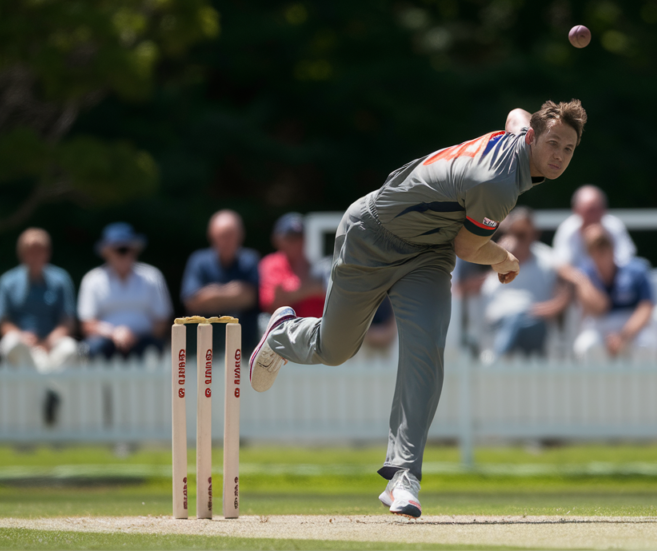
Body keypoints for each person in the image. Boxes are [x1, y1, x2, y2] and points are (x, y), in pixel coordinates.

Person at [249, 100, 587, 518]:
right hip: (371, 235)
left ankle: (404, 477)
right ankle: (285, 332)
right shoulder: (498, 184)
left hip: (427, 255)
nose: (559, 156)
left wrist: (540, 121)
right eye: (553, 143)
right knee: (335, 350)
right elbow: (469, 247)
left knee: (425, 352)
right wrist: (505, 260)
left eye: (569, 149)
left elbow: (516, 112)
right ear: (533, 138)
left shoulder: (521, 133)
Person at [0, 228, 79, 424]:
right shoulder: (8, 281)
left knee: (71, 348)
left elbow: (68, 320)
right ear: (21, 253)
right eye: (30, 249)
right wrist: (21, 336)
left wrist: (51, 339)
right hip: (24, 346)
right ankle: (48, 392)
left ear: (48, 252)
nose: (35, 254)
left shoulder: (60, 280)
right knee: (10, 344)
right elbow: (2, 320)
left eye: (40, 249)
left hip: (51, 344)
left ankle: (47, 395)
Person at [481, 207, 570, 359]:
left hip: (534, 322)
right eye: (514, 233)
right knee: (514, 320)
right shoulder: (497, 257)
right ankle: (501, 357)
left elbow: (565, 295)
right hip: (501, 322)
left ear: (534, 235)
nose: (518, 239)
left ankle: (498, 359)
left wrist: (535, 311)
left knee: (518, 319)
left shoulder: (548, 260)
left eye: (523, 234)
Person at [561, 225, 657, 361]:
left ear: (612, 246)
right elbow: (600, 308)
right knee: (588, 345)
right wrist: (583, 281)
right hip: (600, 326)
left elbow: (646, 308)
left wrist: (623, 336)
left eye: (604, 244)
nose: (601, 250)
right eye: (594, 247)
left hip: (631, 326)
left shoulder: (637, 270)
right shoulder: (584, 275)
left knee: (646, 344)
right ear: (589, 252)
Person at [78, 223, 172, 360]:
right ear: (106, 252)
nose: (124, 254)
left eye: (127, 249)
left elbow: (162, 321)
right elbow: (87, 325)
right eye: (119, 249)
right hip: (105, 343)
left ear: (135, 250)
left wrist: (133, 334)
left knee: (154, 349)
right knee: (93, 348)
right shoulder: (92, 279)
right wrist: (115, 333)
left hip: (144, 341)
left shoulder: (152, 276)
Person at [182, 210, 261, 352]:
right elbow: (191, 302)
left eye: (231, 235)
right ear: (211, 235)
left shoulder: (250, 259)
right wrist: (234, 292)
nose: (227, 240)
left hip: (245, 347)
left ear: (240, 235)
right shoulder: (199, 261)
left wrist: (211, 295)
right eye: (222, 235)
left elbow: (250, 298)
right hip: (204, 348)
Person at [258, 213, 326, 320]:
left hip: (314, 329)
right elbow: (272, 304)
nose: (297, 243)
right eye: (291, 238)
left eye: (300, 237)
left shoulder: (317, 265)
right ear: (277, 239)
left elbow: (333, 294)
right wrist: (312, 288)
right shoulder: (271, 264)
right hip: (284, 330)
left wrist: (292, 293)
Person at [552, 184, 636, 268]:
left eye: (598, 208)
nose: (594, 215)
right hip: (577, 280)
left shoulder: (614, 225)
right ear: (576, 211)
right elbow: (562, 266)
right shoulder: (567, 229)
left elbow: (626, 260)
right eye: (589, 210)